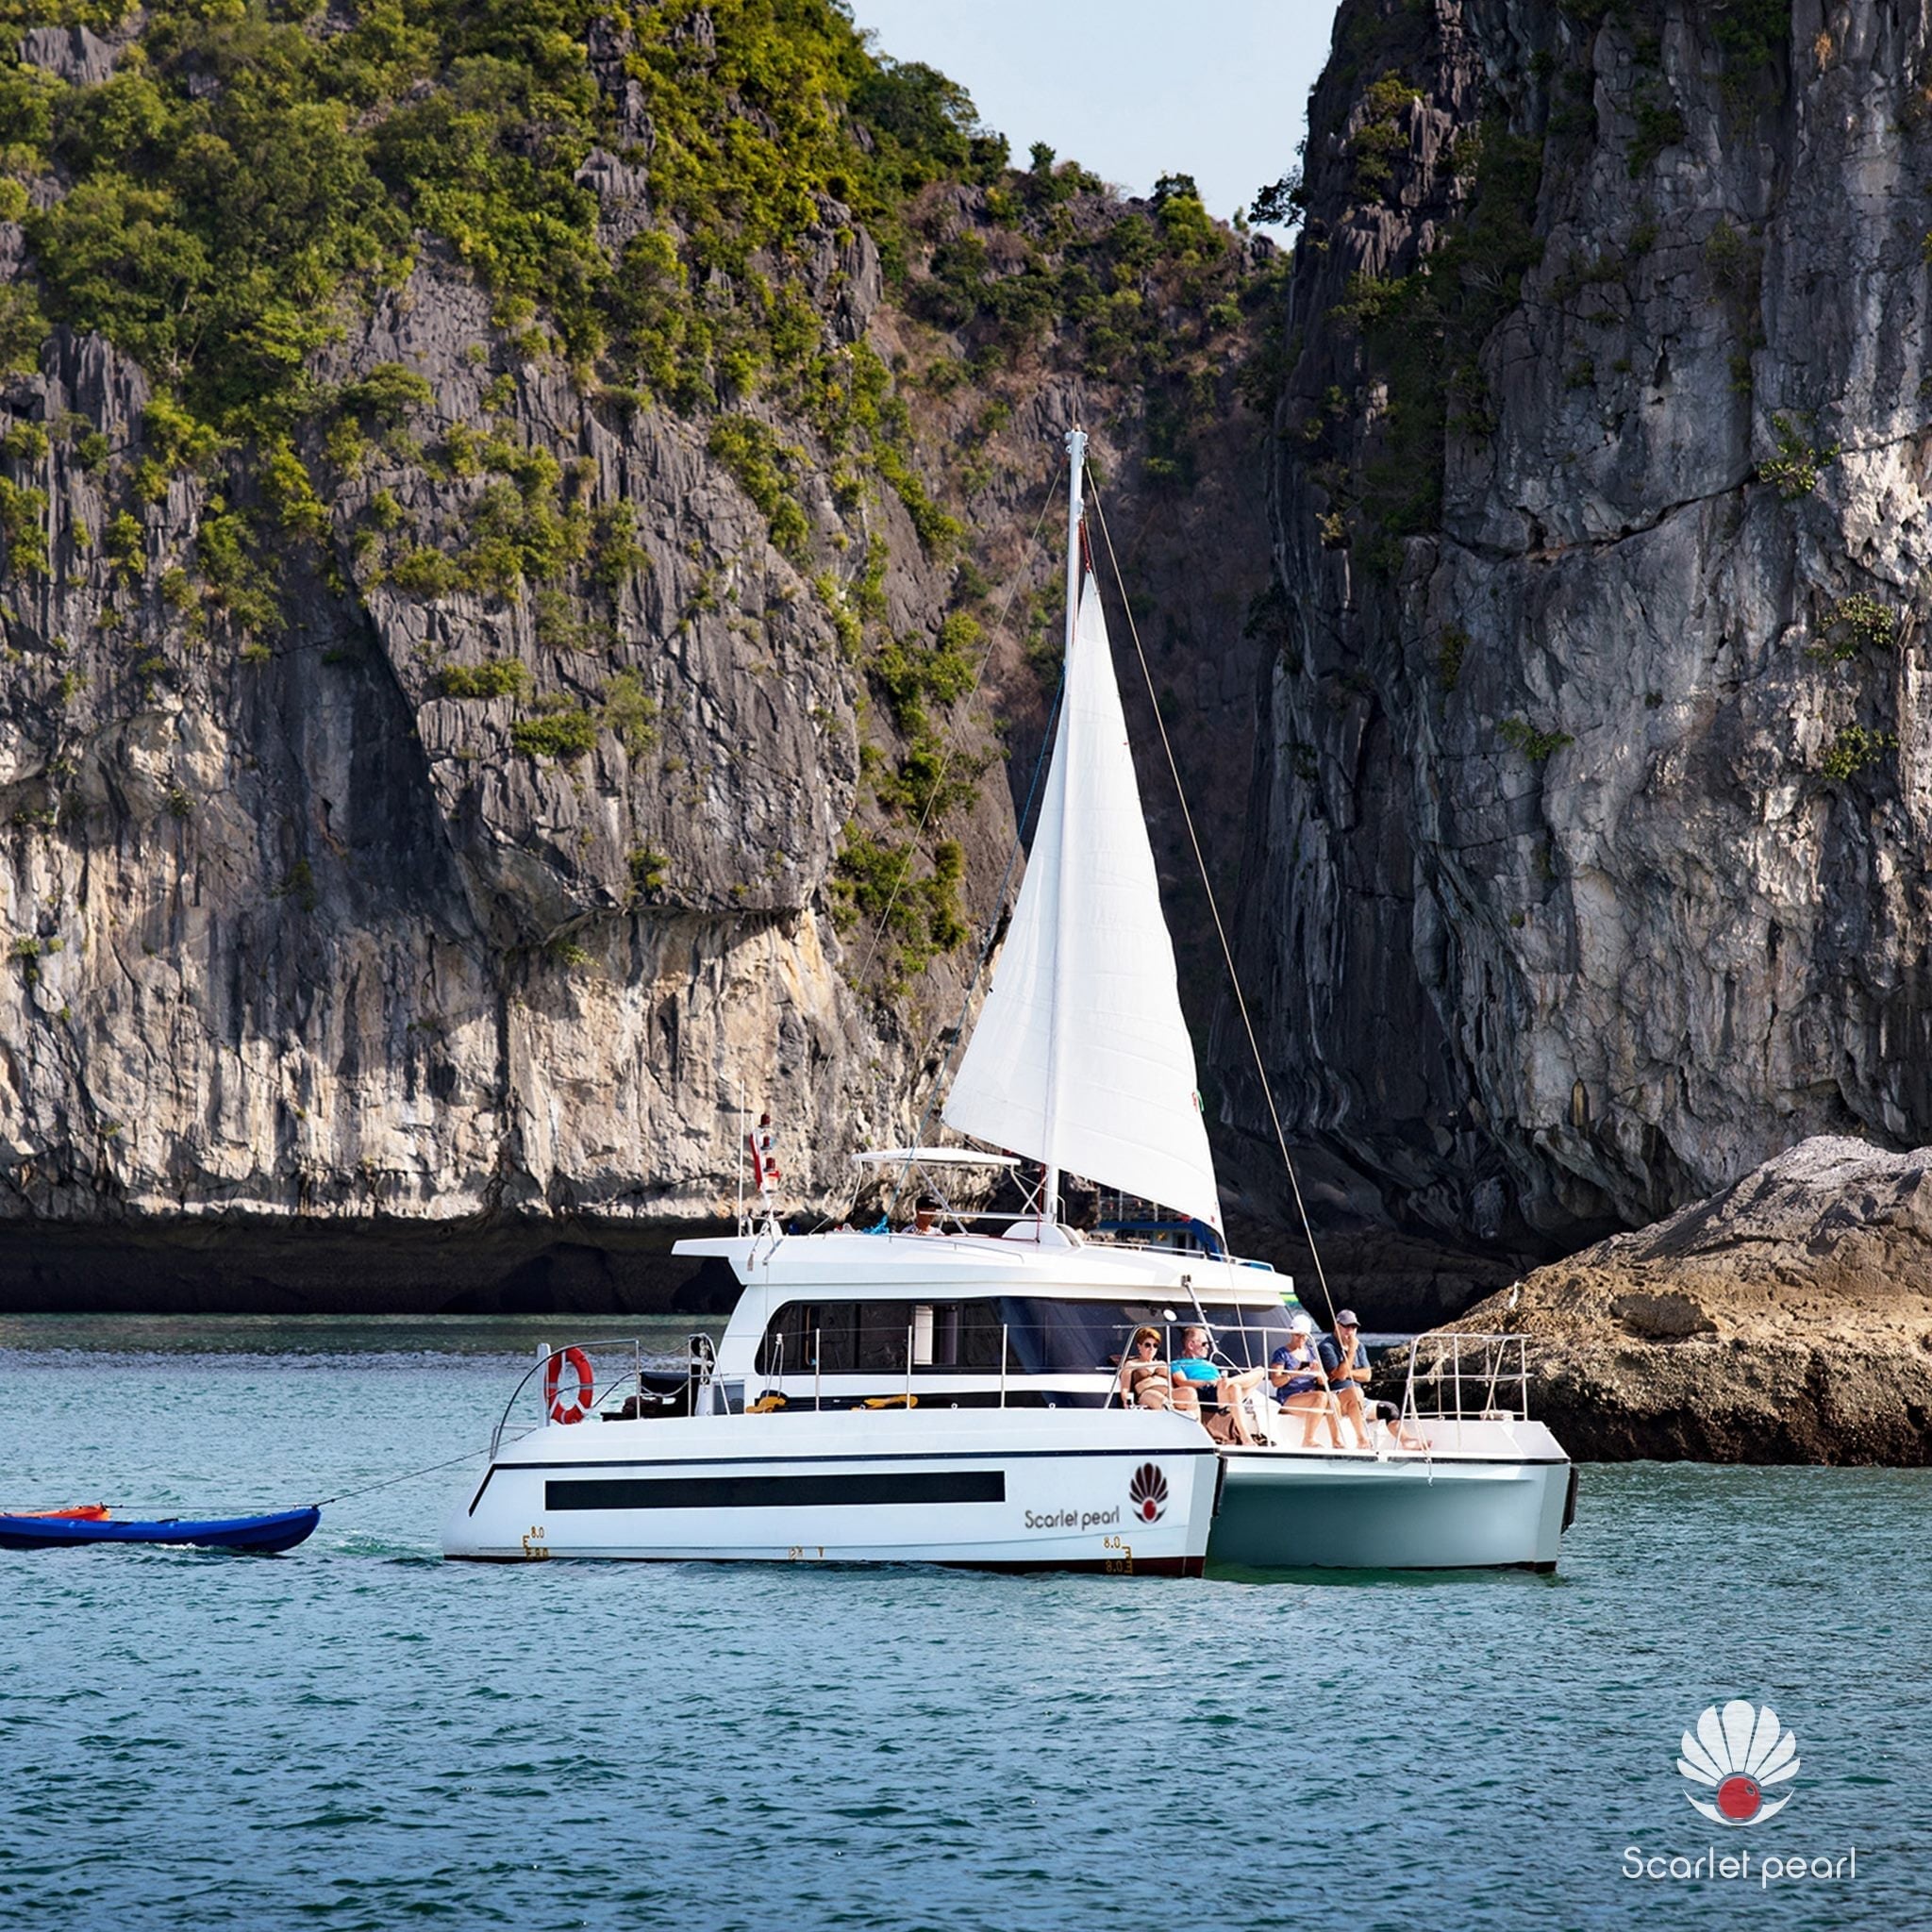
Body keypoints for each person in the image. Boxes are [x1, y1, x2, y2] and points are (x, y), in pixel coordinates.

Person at [1171, 1325, 1267, 1446]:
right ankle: (1246, 1437)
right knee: (1234, 1387)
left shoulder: (1210, 1364)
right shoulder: (1177, 1364)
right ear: (1191, 1345)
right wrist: (1206, 1383)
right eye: (1205, 1344)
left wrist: (1222, 1382)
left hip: (1222, 1390)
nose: (1208, 1347)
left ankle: (1229, 1381)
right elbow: (1181, 1382)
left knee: (1260, 1371)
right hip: (1206, 1392)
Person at [1268, 1314, 1345, 1449]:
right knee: (1321, 1396)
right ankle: (1308, 1439)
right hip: (1289, 1397)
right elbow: (1276, 1381)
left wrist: (1318, 1372)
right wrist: (1294, 1373)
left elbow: (1323, 1382)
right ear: (1291, 1333)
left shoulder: (1312, 1352)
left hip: (1310, 1396)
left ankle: (1336, 1440)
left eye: (1304, 1336)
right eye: (1297, 1335)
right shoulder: (1282, 1354)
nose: (1301, 1339)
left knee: (1333, 1398)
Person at [1318, 1309, 1374, 1450]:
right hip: (1336, 1395)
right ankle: (1361, 1439)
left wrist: (1346, 1373)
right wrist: (1351, 1351)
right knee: (1356, 1393)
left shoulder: (1359, 1346)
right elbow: (1341, 1375)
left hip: (1357, 1397)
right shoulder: (1327, 1347)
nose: (1350, 1331)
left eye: (1353, 1327)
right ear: (1337, 1326)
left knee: (1390, 1410)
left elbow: (1367, 1375)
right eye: (1347, 1327)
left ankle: (1408, 1442)